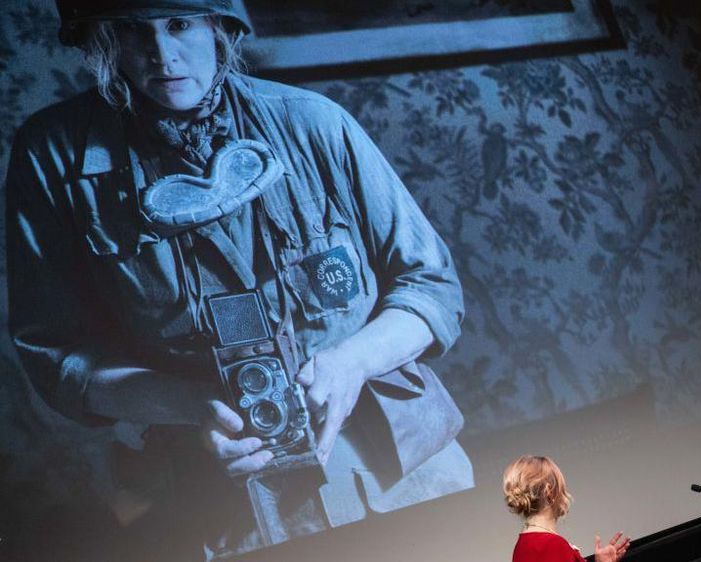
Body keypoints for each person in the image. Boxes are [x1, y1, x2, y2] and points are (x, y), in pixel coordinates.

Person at [5, 1, 470, 559]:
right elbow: (58, 356)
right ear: (105, 42)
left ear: (220, 29)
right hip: (225, 508)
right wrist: (190, 404)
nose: (162, 54)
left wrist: (354, 363)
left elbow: (431, 286)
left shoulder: (312, 122)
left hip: (408, 481)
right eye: (134, 31)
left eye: (180, 24)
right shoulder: (53, 156)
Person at [502, 455, 630, 562]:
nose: (565, 494)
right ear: (549, 492)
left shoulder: (523, 544)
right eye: (562, 488)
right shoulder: (552, 545)